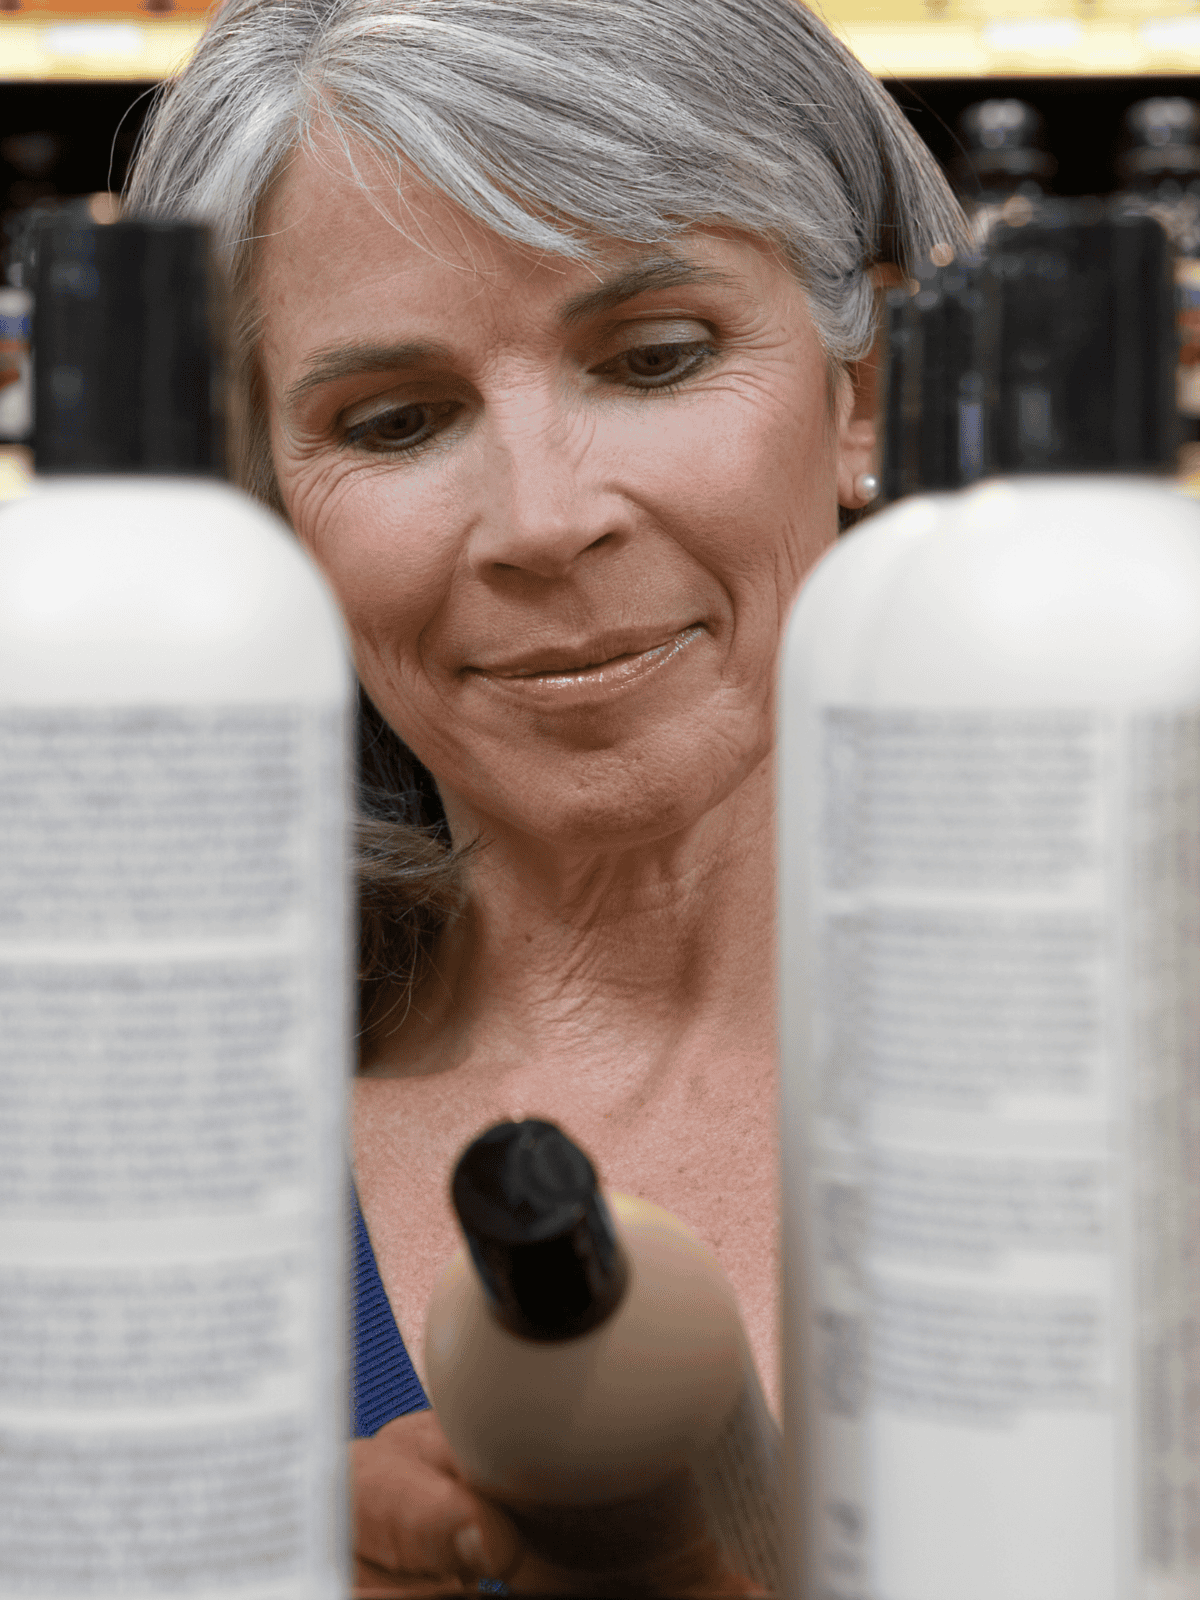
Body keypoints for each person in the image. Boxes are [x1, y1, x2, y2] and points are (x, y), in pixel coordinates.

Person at [125, 0, 962, 1591]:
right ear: (260, 503)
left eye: (654, 358)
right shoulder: (116, 1160)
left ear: (870, 390)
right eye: (396, 421)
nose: (542, 518)